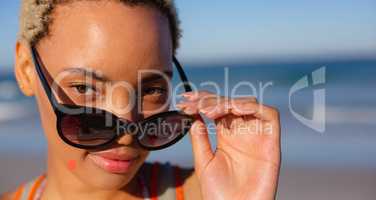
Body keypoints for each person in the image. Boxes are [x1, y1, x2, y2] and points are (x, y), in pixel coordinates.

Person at [1, 0, 281, 199]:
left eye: (151, 90)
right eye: (85, 88)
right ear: (26, 70)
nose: (128, 130)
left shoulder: (210, 194)